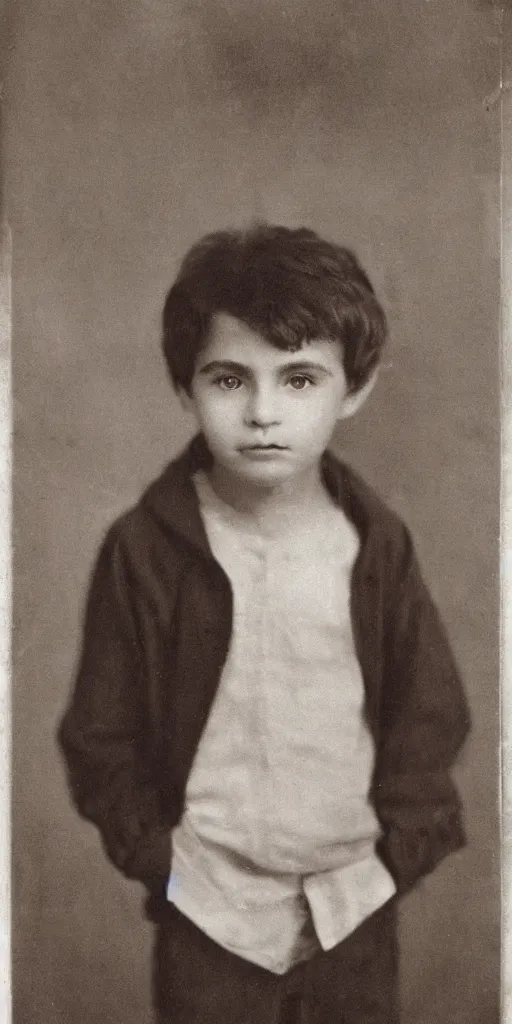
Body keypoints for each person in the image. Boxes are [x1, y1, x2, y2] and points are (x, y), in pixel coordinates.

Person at [59, 223, 471, 1024]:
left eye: (299, 380)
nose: (262, 413)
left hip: (352, 910)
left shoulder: (375, 546)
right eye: (228, 380)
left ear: (354, 389)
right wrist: (165, 863)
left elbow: (430, 720)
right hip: (209, 915)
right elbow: (100, 738)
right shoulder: (144, 550)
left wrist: (389, 864)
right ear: (184, 387)